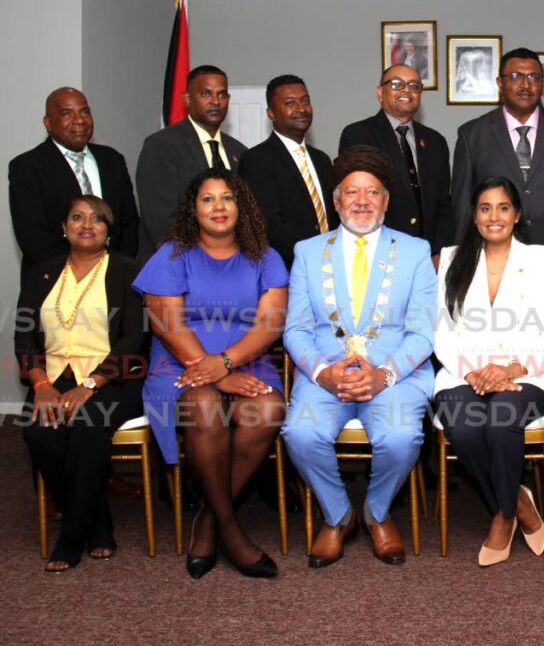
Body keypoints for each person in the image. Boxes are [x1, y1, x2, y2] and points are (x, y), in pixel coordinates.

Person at [282, 146, 436, 569]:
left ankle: (377, 511)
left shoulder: (416, 251)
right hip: (326, 375)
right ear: (336, 201)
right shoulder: (308, 252)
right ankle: (338, 515)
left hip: (394, 375)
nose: (362, 201)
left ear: (387, 200)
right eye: (352, 192)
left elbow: (424, 332)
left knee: (403, 438)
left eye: (373, 192)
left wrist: (384, 375)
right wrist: (322, 372)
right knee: (300, 434)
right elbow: (294, 329)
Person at [133, 169, 288, 579]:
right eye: (207, 199)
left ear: (242, 207)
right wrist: (216, 375)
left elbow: (270, 325)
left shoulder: (265, 257)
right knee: (204, 405)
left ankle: (207, 519)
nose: (218, 207)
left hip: (246, 357)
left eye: (227, 198)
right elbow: (168, 325)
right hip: (179, 361)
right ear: (193, 209)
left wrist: (227, 363)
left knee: (267, 410)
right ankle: (232, 531)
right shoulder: (171, 255)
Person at [434, 176, 544, 566]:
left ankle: (501, 515)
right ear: (474, 216)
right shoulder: (453, 258)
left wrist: (511, 367)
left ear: (517, 214)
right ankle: (516, 505)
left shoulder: (543, 259)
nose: (494, 216)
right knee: (462, 424)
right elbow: (441, 330)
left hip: (529, 371)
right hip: (464, 372)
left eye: (503, 207)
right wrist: (475, 373)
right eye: (485, 208)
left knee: (500, 419)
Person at [17, 196, 144, 572]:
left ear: (109, 231)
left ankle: (71, 536)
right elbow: (24, 336)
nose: (87, 224)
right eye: (77, 217)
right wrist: (41, 384)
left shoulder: (127, 272)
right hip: (53, 378)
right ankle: (97, 520)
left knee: (88, 430)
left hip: (113, 378)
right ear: (64, 227)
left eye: (98, 219)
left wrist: (92, 383)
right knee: (39, 434)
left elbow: (134, 338)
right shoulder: (41, 272)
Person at [452, 47, 544, 283]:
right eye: (515, 77)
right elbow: (462, 210)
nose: (525, 84)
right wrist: (460, 269)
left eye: (534, 77)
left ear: (542, 83)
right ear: (500, 83)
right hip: (492, 264)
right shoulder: (472, 136)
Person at [9, 87, 139, 283]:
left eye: (85, 111)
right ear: (48, 123)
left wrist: (115, 267)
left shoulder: (112, 159)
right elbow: (32, 236)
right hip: (54, 281)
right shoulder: (27, 166)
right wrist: (81, 271)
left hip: (113, 279)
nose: (79, 120)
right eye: (66, 113)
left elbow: (129, 222)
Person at [339, 64, 454, 260]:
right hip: (378, 254)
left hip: (427, 257)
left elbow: (443, 204)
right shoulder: (358, 135)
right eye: (396, 84)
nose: (406, 90)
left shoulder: (435, 141)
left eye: (414, 86)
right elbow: (356, 201)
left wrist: (438, 253)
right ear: (380, 92)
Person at [136, 65, 247, 262]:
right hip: (175, 264)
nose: (215, 101)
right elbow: (161, 219)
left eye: (222, 95)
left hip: (230, 263)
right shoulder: (162, 144)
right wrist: (198, 262)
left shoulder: (238, 151)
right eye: (206, 94)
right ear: (187, 99)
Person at [240, 74, 338, 267]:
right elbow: (269, 225)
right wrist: (310, 261)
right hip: (287, 269)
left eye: (305, 101)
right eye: (290, 103)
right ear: (271, 113)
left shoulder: (322, 160)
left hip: (331, 265)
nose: (301, 109)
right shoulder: (256, 160)